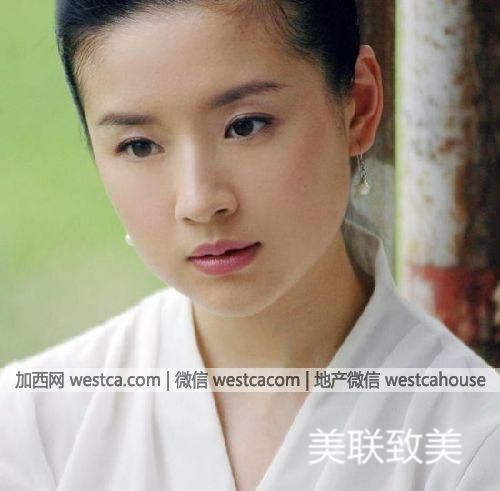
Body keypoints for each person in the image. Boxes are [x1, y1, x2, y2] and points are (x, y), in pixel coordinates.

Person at [1, 1, 499, 490]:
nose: (200, 201)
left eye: (245, 125)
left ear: (359, 106)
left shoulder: (473, 445)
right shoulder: (36, 428)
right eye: (139, 145)